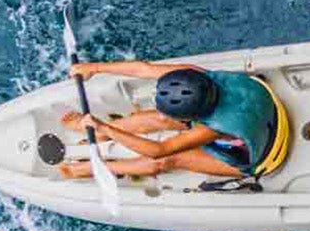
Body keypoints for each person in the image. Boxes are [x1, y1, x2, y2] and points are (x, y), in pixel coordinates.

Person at [52, 62, 289, 180]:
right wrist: (95, 68)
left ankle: (88, 168)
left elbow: (159, 151)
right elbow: (144, 69)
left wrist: (105, 126)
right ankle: (95, 132)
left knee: (172, 160)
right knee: (156, 119)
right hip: (262, 108)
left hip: (261, 154)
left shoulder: (210, 130)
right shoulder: (198, 76)